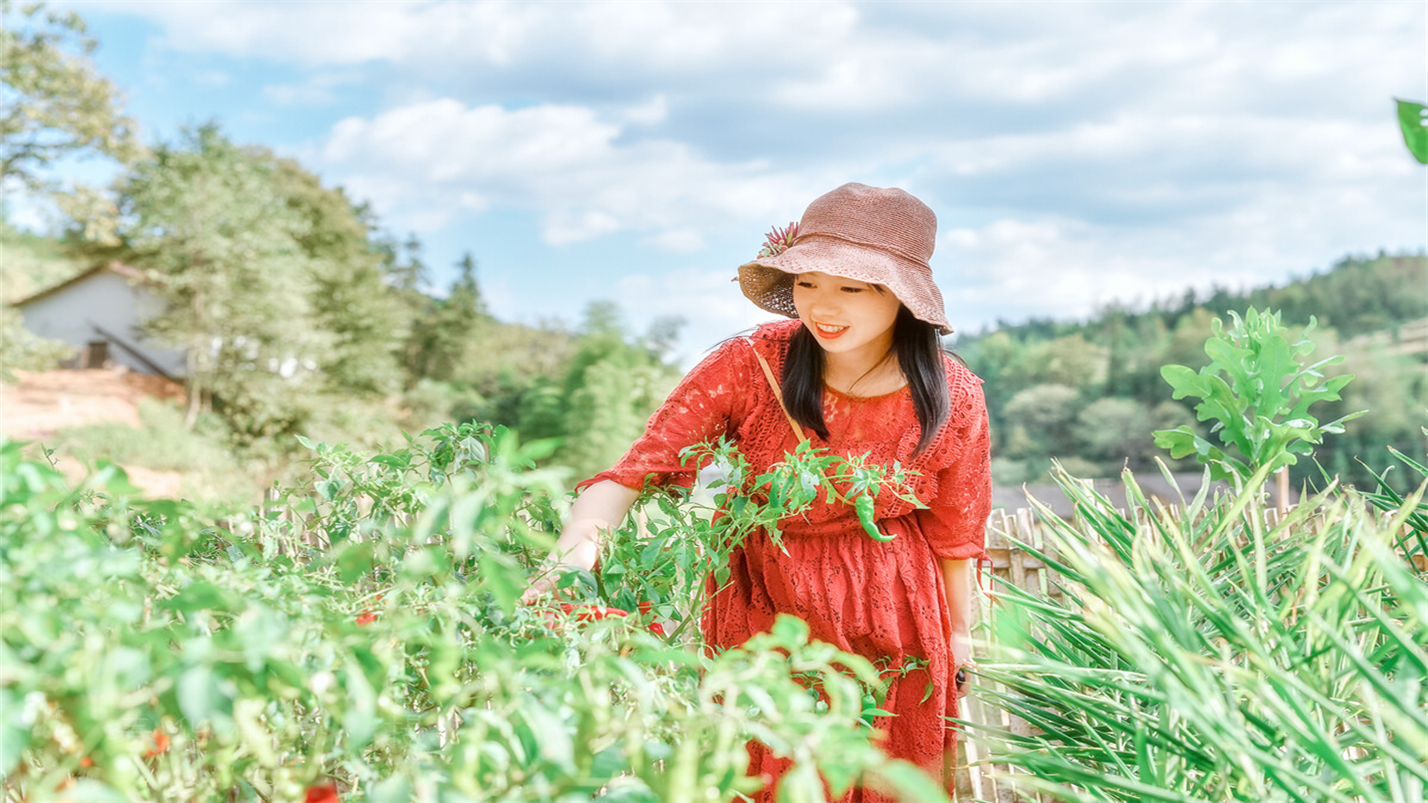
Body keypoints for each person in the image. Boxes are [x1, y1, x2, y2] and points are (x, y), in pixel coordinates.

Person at [525, 183, 992, 801]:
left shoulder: (954, 395)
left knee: (883, 773)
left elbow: (957, 530)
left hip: (894, 603)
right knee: (763, 766)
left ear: (901, 297)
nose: (823, 305)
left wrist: (959, 634)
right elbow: (636, 471)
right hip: (765, 601)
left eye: (851, 287)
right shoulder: (752, 362)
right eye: (806, 282)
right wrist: (571, 560)